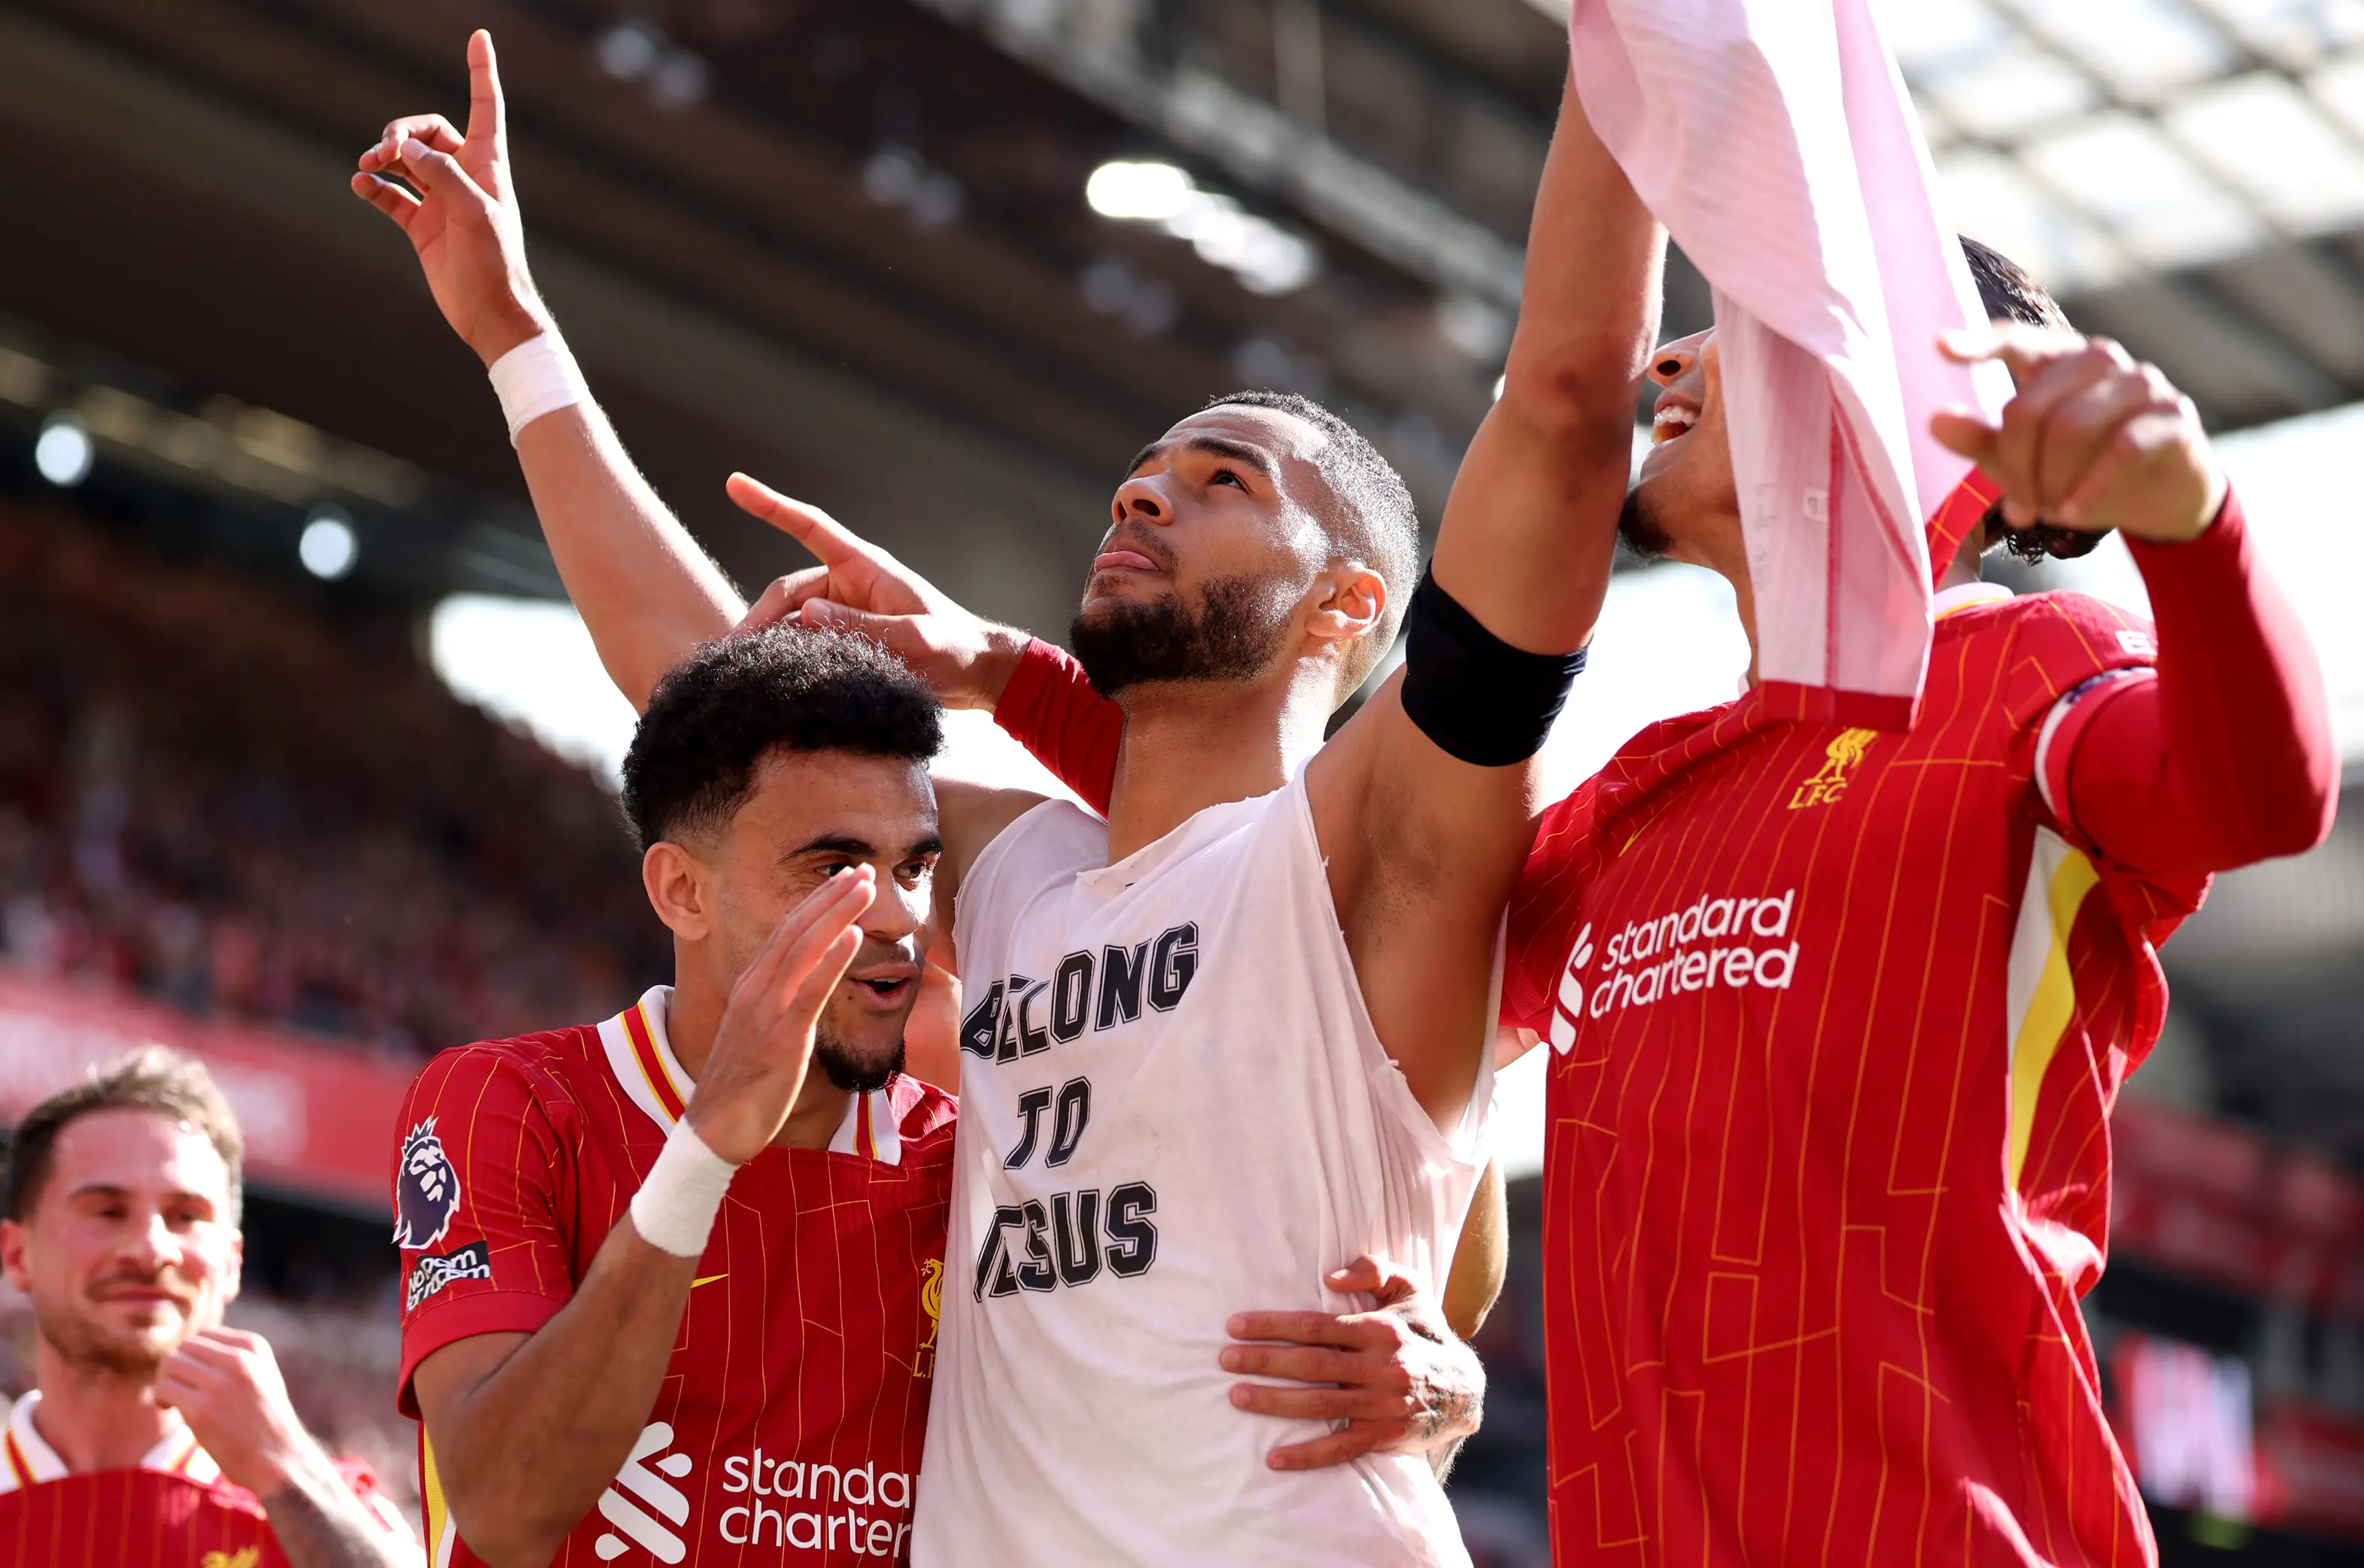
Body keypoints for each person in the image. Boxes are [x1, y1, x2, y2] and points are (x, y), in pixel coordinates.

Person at [354, 28, 1654, 1563]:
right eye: (1144, 471)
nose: (1145, 488)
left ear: (1348, 605)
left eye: (1227, 480)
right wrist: (517, 339)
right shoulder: (1026, 870)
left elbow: (1560, 412)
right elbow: (708, 709)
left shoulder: (1366, 850)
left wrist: (1644, 50)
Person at [942, 223, 2340, 1568]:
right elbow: (1300, 904)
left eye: (1734, 323)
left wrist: (2193, 525)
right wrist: (1022, 683)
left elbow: (2263, 797)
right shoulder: (1647, 792)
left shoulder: (2029, 669)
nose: (1666, 359)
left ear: (1906, 397)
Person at [0, 1047, 415, 1566]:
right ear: (17, 1255)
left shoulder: (332, 1514)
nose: (152, 1249)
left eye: (186, 1216)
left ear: (232, 1262)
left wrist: (289, 1473)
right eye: (107, 1210)